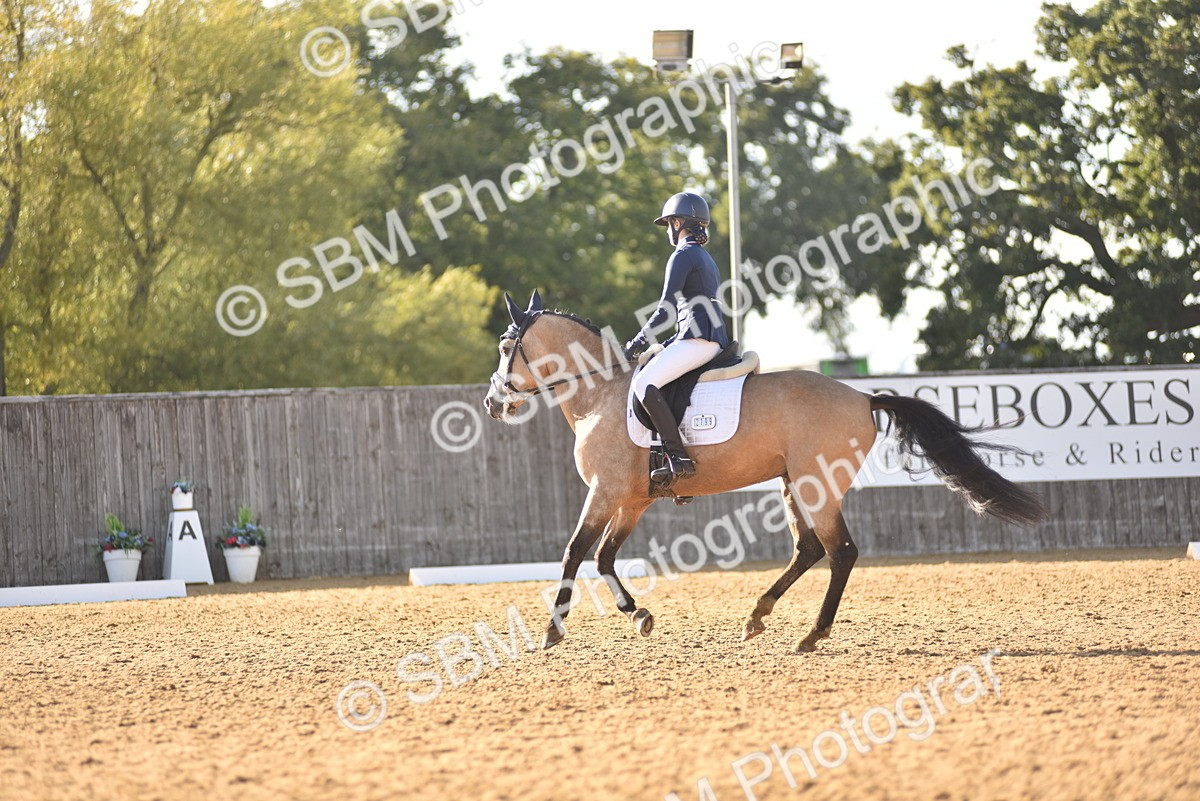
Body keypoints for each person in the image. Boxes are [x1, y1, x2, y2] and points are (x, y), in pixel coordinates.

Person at [624, 192, 731, 483]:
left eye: (671, 222)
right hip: (709, 337)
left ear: (679, 223)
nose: (669, 229)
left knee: (644, 383)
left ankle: (677, 456)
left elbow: (666, 307)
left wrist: (636, 343)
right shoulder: (706, 257)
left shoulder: (682, 255)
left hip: (697, 339)